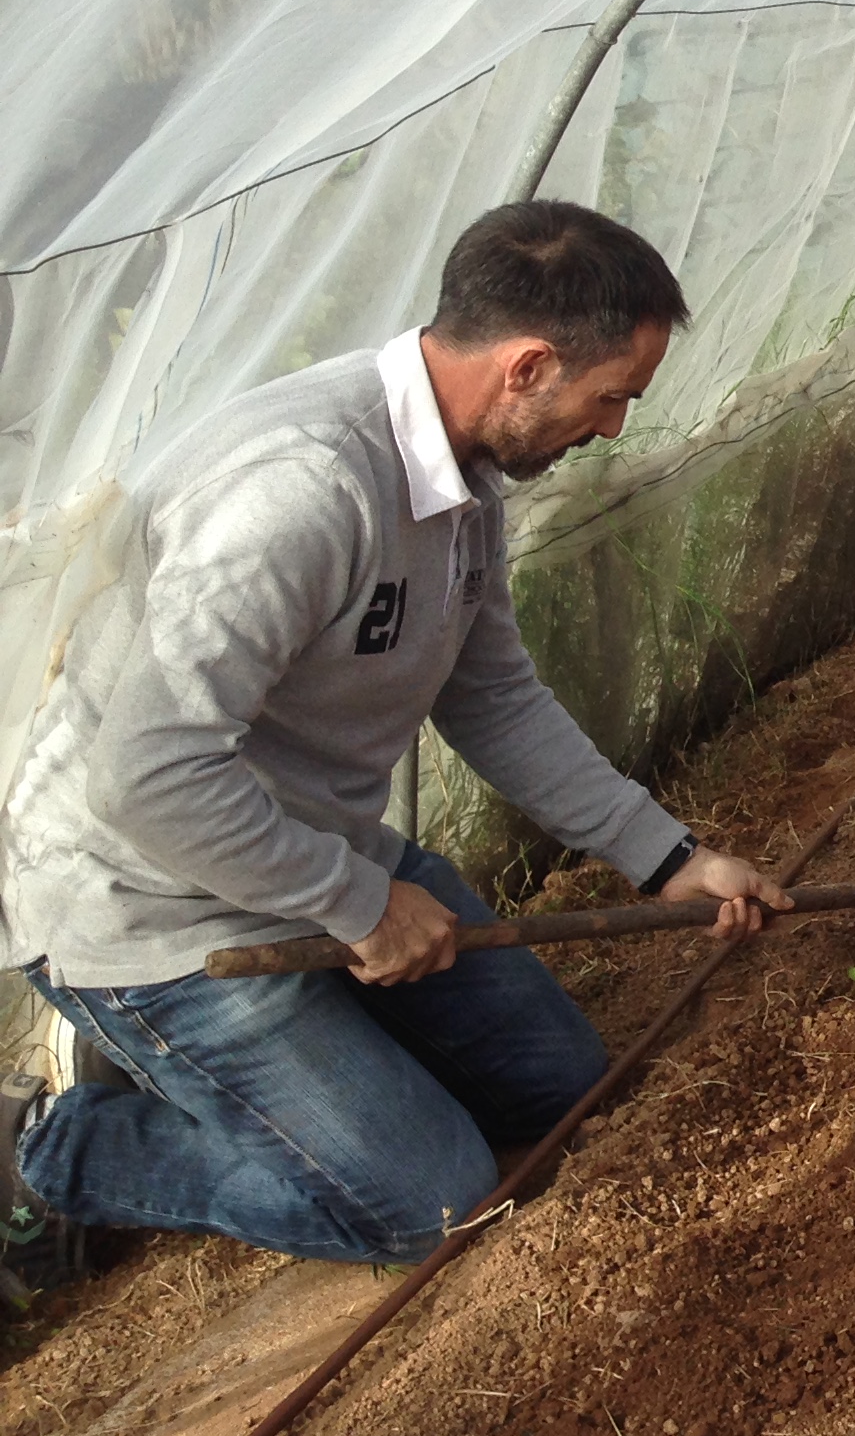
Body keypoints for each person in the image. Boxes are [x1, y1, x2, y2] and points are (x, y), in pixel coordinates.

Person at [0, 204, 789, 1289]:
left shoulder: (463, 478)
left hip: (304, 851)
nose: (613, 429)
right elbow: (149, 778)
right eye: (612, 396)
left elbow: (494, 699)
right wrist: (363, 904)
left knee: (562, 1088)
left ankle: (327, 1066)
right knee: (431, 1203)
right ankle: (60, 1143)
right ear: (527, 366)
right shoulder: (299, 493)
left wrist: (670, 858)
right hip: (154, 904)